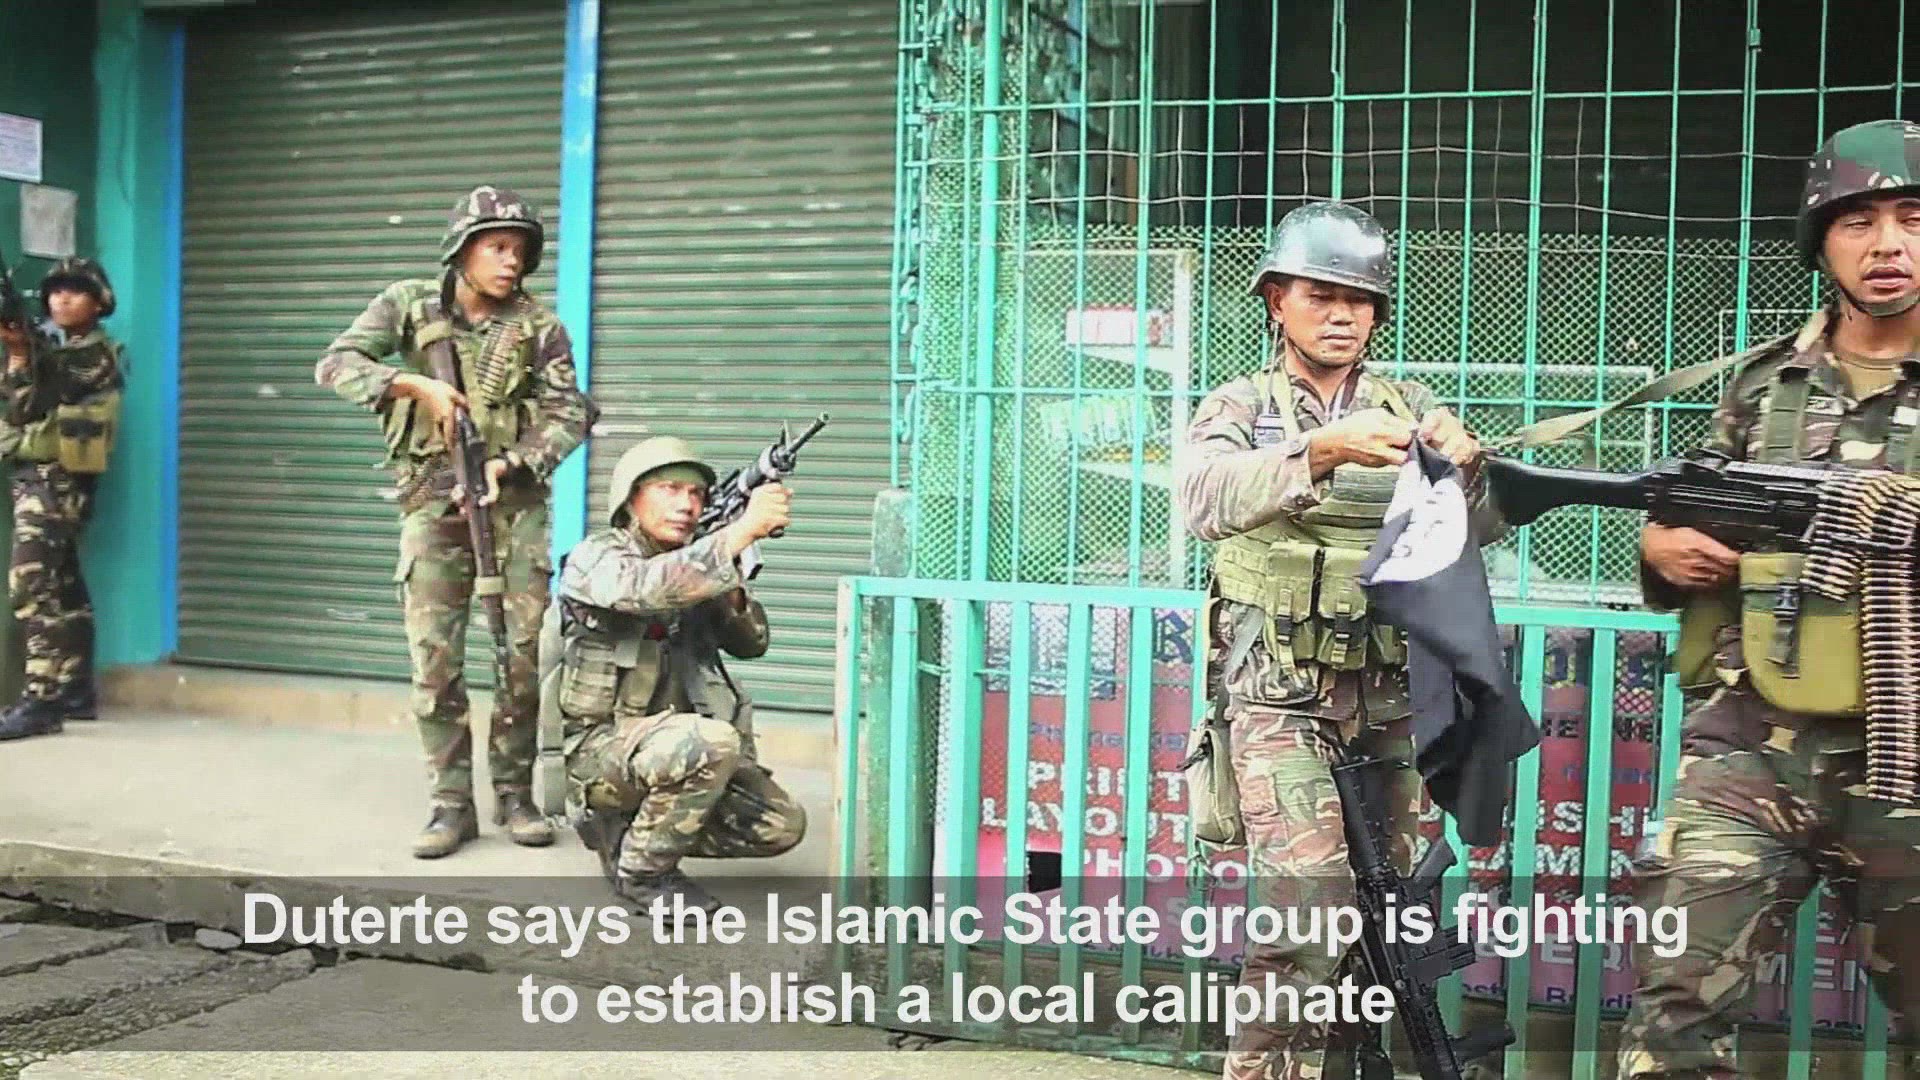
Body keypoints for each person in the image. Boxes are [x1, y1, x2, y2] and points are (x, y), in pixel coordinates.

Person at [1174, 200, 1506, 1080]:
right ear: (1276, 301)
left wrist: (1469, 469)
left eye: (1359, 299)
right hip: (1281, 696)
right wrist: (1322, 452)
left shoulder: (1413, 406)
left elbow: (1478, 533)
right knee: (1306, 918)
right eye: (1320, 295)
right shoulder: (1241, 405)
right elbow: (1203, 498)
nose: (1341, 315)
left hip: (1394, 700)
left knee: (1380, 922)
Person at [1616, 118, 1920, 1079]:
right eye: (1858, 220)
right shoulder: (1760, 386)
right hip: (1750, 753)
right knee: (1672, 1014)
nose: (1888, 243)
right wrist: (1662, 548)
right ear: (1821, 243)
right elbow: (1689, 523)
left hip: (1906, 762)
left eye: (1913, 218)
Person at [315, 185, 597, 858]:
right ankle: (450, 804)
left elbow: (572, 413)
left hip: (513, 510)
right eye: (496, 247)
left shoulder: (539, 327)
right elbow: (334, 364)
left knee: (519, 658)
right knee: (435, 663)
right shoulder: (410, 304)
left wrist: (512, 462)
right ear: (462, 250)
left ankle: (515, 795)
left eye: (520, 251)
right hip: (432, 501)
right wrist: (414, 385)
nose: (511, 261)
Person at [547, 435, 805, 915]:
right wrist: (736, 535)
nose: (686, 505)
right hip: (601, 751)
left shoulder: (698, 562)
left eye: (696, 494)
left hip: (671, 748)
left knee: (779, 824)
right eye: (669, 489)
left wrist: (730, 578)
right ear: (630, 499)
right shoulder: (596, 556)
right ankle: (642, 873)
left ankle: (632, 833)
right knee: (713, 741)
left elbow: (751, 643)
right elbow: (644, 588)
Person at [0, 258, 124, 741]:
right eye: (54, 292)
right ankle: (74, 689)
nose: (61, 300)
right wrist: (18, 354)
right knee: (64, 584)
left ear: (99, 303)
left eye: (75, 292)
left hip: (58, 480)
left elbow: (53, 386)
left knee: (30, 583)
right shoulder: (55, 349)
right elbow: (20, 405)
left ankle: (41, 700)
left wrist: (23, 349)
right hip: (39, 475)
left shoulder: (96, 355)